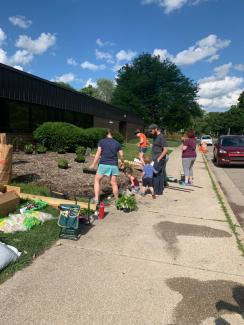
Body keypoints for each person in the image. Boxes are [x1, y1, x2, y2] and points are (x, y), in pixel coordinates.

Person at [90, 129, 125, 203]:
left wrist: (93, 164)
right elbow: (122, 155)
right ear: (113, 134)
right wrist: (123, 163)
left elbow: (98, 153)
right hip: (114, 165)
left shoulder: (102, 141)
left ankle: (96, 199)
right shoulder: (117, 143)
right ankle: (117, 200)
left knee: (97, 180)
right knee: (114, 183)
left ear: (106, 134)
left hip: (103, 164)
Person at [149, 124, 168, 196]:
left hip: (159, 159)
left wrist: (159, 159)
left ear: (156, 129)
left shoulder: (161, 137)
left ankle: (157, 192)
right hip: (155, 158)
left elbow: (165, 150)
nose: (151, 132)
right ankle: (158, 191)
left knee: (156, 175)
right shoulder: (155, 136)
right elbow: (156, 146)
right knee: (159, 174)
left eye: (151, 130)